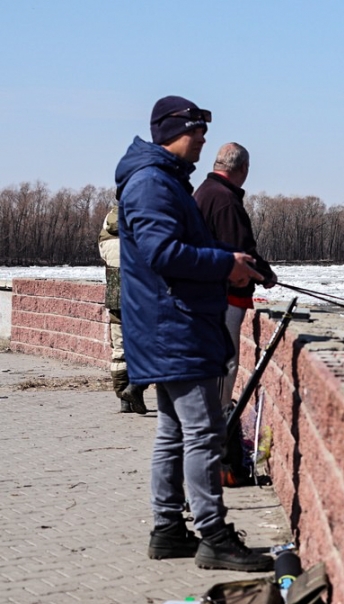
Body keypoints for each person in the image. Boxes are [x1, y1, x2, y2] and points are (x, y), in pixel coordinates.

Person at [114, 95, 273, 572]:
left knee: (173, 431)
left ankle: (167, 529)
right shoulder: (151, 183)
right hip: (175, 325)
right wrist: (227, 263)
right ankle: (214, 535)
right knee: (202, 433)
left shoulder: (165, 180)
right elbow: (163, 253)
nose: (204, 139)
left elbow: (178, 247)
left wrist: (233, 262)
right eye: (197, 131)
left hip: (173, 323)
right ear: (172, 131)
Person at [194, 143, 277, 412]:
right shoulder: (225, 200)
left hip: (207, 292)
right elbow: (239, 250)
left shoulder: (205, 192)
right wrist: (265, 274)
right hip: (223, 296)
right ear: (244, 168)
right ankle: (216, 424)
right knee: (223, 360)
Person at [97, 203, 148, 414]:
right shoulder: (144, 216)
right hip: (140, 296)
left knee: (119, 351)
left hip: (115, 295)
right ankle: (134, 389)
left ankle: (123, 400)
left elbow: (104, 254)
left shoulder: (108, 222)